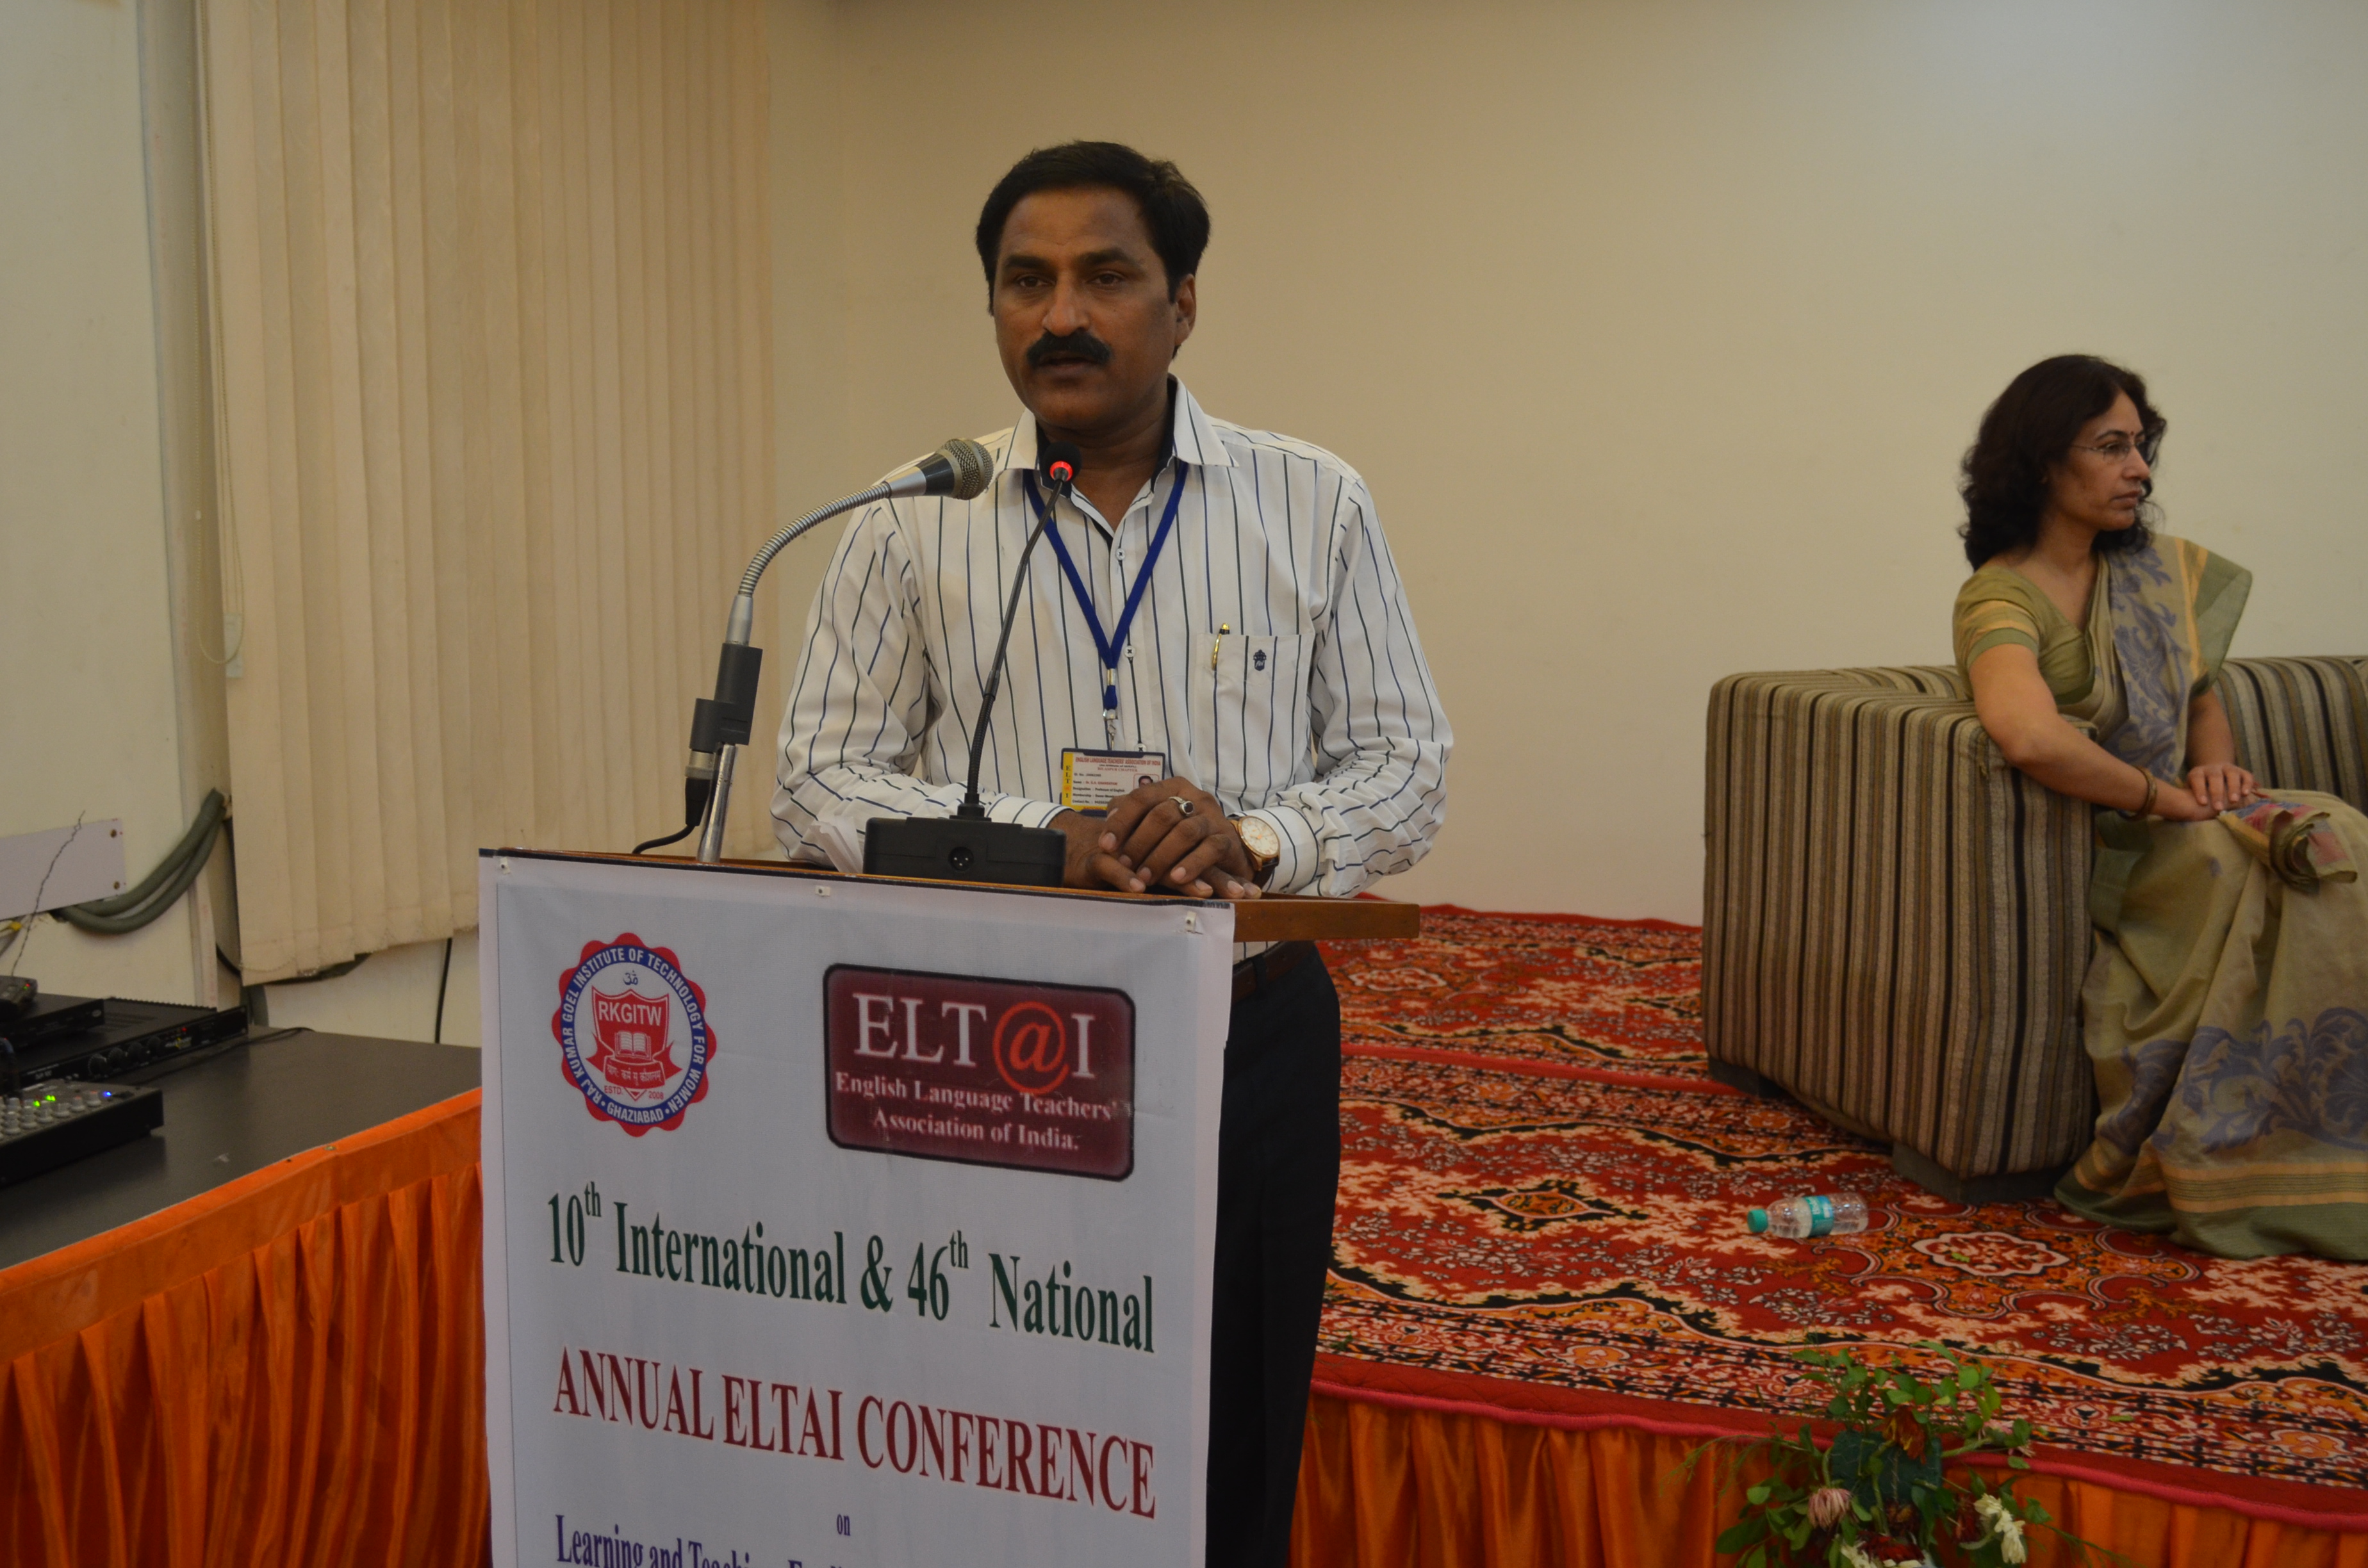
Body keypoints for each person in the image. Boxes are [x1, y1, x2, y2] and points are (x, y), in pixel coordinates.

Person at [771, 141, 1452, 1562]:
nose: (1061, 315)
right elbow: (816, 782)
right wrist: (1045, 843)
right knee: (990, 1399)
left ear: (1184, 302)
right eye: (1025, 282)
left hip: (1245, 1032)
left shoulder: (1311, 501)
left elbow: (1405, 765)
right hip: (980, 1042)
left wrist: (1252, 836)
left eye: (1106, 277)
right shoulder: (914, 517)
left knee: (1232, 1409)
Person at [1952, 354, 2367, 1260]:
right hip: (2113, 843)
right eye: (2111, 447)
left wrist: (2216, 776)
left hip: (2188, 816)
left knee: (2332, 834)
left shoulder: (2151, 575)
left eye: (2141, 446)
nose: (2140, 469)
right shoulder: (2001, 595)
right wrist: (2165, 798)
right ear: (2042, 462)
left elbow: (2199, 695)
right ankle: (2242, 1166)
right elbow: (2028, 735)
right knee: (2232, 863)